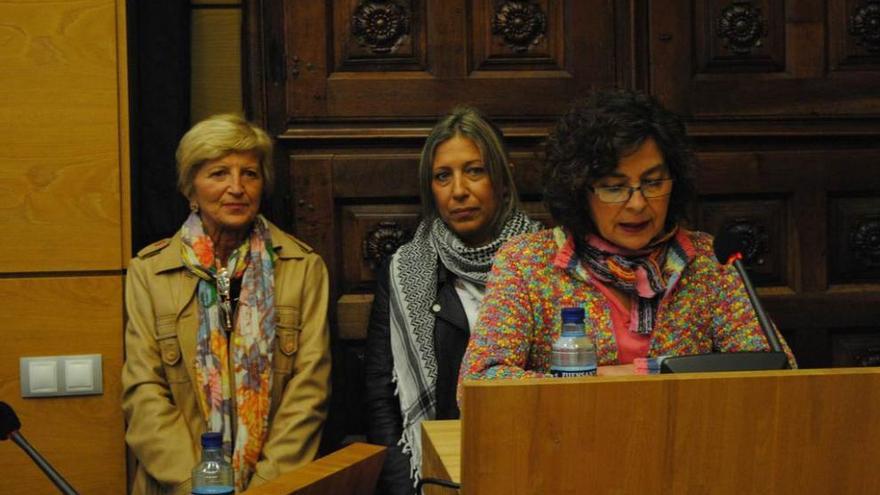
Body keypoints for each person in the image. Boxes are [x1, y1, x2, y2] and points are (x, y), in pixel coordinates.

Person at [460, 90, 796, 382]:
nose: (637, 204)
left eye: (652, 183)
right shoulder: (526, 262)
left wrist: (643, 375)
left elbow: (778, 372)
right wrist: (596, 382)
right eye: (614, 187)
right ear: (580, 190)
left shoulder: (711, 261)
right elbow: (479, 381)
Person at [122, 114, 331, 494]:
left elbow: (309, 389)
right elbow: (143, 393)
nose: (236, 187)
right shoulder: (149, 273)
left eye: (249, 174)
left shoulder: (302, 268)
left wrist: (268, 486)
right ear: (191, 189)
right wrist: (200, 485)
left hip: (276, 485)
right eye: (219, 174)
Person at [364, 106, 541, 494]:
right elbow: (382, 398)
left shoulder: (545, 261)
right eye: (443, 176)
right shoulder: (406, 270)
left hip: (535, 465)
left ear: (503, 178)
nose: (459, 190)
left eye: (474, 171)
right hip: (434, 476)